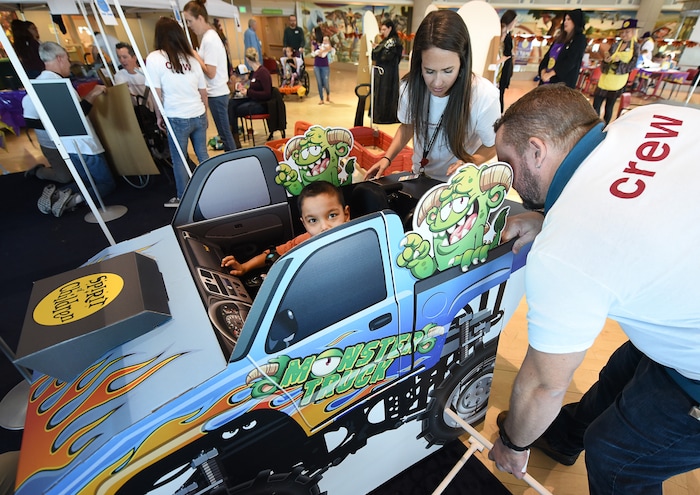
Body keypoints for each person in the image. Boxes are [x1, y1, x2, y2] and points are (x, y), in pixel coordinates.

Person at [487, 84, 700, 494]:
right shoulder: (644, 117)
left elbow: (544, 383)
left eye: (508, 164)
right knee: (625, 365)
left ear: (536, 150)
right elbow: (633, 201)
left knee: (617, 456)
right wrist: (551, 216)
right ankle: (564, 437)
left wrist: (515, 443)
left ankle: (561, 439)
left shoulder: (565, 252)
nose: (510, 183)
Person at [365, 10, 500, 182]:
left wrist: (471, 161)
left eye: (447, 71)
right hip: (420, 177)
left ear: (463, 61)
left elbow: (493, 144)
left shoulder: (484, 95)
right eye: (429, 71)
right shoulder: (409, 87)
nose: (437, 83)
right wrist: (386, 158)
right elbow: (407, 126)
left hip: (460, 185)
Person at [23, 42, 116, 217]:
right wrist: (92, 94)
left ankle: (57, 193)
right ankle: (73, 200)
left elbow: (30, 119)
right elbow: (79, 116)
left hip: (65, 145)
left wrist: (54, 125)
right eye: (67, 59)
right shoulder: (61, 85)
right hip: (85, 144)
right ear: (59, 58)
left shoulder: (36, 86)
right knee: (105, 183)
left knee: (86, 180)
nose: (68, 63)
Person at [221, 180, 350, 276]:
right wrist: (244, 267)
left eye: (332, 215)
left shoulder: (361, 237)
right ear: (304, 223)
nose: (324, 227)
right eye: (313, 220)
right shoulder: (305, 240)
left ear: (346, 214)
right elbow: (273, 254)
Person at [146, 17, 209, 208]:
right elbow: (203, 92)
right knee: (202, 155)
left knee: (179, 159)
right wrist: (204, 113)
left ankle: (182, 197)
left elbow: (156, 94)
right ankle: (211, 189)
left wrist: (158, 116)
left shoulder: (155, 58)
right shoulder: (192, 59)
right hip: (198, 112)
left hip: (176, 116)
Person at [183, 0, 237, 152]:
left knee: (225, 134)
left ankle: (235, 165)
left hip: (217, 93)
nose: (189, 26)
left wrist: (195, 56)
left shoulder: (210, 39)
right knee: (225, 134)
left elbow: (211, 73)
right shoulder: (209, 37)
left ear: (200, 18)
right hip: (216, 93)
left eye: (190, 21)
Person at [592, 18, 639, 125]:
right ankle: (594, 124)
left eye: (627, 32)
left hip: (617, 81)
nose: (624, 34)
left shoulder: (635, 47)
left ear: (633, 32)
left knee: (609, 106)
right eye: (622, 32)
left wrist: (620, 62)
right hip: (605, 78)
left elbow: (632, 65)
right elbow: (607, 55)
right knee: (596, 104)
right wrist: (606, 60)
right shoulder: (615, 44)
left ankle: (604, 126)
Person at [228, 47, 272, 148]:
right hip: (253, 99)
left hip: (262, 104)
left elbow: (267, 94)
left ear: (247, 59)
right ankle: (233, 135)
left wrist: (248, 92)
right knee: (231, 103)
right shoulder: (254, 72)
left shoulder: (263, 72)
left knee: (235, 110)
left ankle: (234, 136)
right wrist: (245, 90)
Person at [537, 8, 587, 88]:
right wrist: (543, 72)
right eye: (565, 19)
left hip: (561, 85)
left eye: (569, 19)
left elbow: (571, 61)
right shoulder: (560, 38)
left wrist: (551, 74)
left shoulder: (579, 39)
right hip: (546, 81)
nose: (565, 22)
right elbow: (547, 57)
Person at [371, 19, 403, 124]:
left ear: (390, 28)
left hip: (387, 74)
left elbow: (385, 56)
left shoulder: (392, 41)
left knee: (385, 94)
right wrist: (378, 48)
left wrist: (377, 49)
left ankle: (384, 116)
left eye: (384, 29)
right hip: (384, 73)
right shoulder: (387, 41)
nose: (382, 32)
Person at [497, 10, 517, 113]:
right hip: (500, 70)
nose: (515, 23)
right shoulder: (502, 35)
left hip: (504, 69)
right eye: (514, 20)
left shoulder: (508, 36)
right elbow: (505, 53)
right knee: (499, 94)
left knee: (501, 93)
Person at [312, 36, 334, 104]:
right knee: (319, 82)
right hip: (317, 65)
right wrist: (317, 52)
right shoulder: (315, 44)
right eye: (324, 40)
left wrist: (322, 51)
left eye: (326, 40)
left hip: (325, 66)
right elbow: (313, 53)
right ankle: (321, 98)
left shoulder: (328, 46)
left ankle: (328, 94)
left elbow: (330, 50)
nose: (325, 41)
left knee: (325, 82)